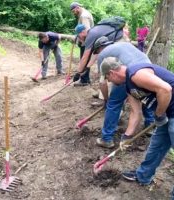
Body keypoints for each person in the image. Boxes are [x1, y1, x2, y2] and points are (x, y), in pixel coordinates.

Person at [100, 56, 174, 200]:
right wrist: (126, 137)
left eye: (108, 79)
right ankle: (143, 175)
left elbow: (165, 89)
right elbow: (136, 112)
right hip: (167, 114)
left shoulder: (136, 73)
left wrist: (159, 115)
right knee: (157, 145)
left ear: (112, 73)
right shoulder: (128, 86)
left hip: (171, 113)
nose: (109, 82)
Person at [92, 36, 154, 148]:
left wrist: (106, 100)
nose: (97, 54)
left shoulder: (102, 56)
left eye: (96, 51)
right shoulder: (124, 44)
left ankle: (107, 139)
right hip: (147, 68)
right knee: (143, 96)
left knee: (114, 103)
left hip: (129, 72)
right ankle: (150, 125)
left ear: (100, 48)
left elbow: (103, 83)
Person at [73, 21, 124, 86]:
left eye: (78, 36)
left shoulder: (90, 36)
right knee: (105, 64)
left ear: (82, 32)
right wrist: (87, 67)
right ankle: (104, 90)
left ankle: (113, 89)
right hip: (117, 39)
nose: (79, 38)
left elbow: (85, 57)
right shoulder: (93, 32)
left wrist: (78, 73)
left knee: (110, 65)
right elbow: (96, 53)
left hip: (119, 39)